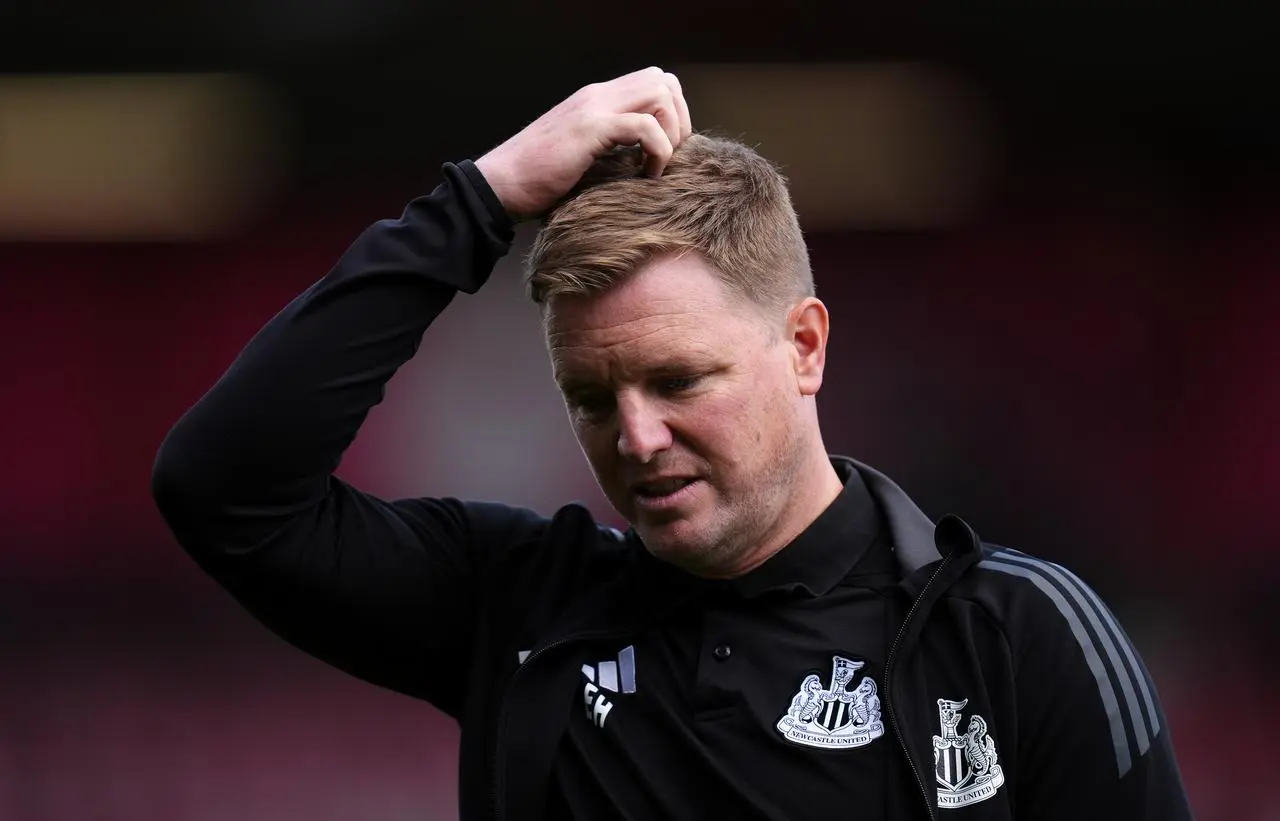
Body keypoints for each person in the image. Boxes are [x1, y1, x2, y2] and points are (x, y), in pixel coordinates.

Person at [152, 67, 1192, 820]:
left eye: (678, 379)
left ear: (802, 345)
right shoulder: (520, 609)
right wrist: (481, 198)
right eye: (591, 394)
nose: (635, 435)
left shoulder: (1012, 636)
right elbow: (224, 490)